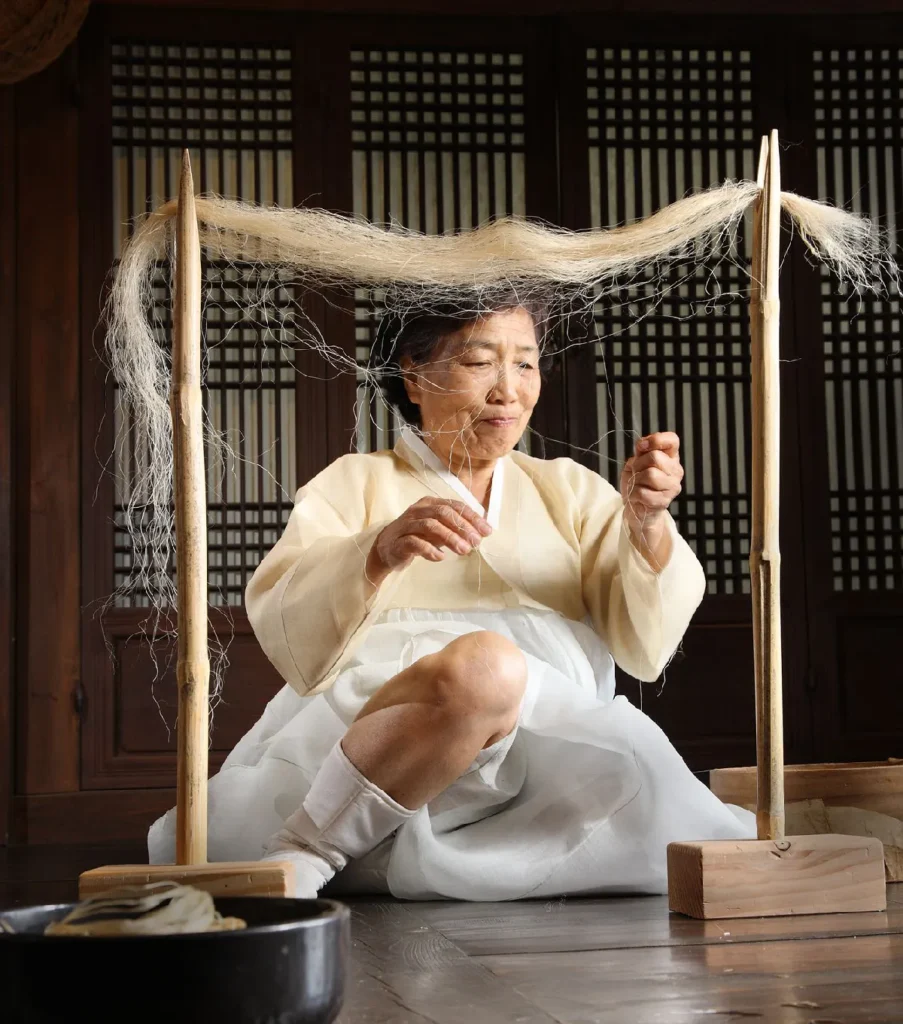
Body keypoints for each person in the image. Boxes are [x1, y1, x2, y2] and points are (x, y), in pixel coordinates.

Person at [149, 297, 754, 899]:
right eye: (480, 363)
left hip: (549, 771)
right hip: (378, 744)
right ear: (413, 375)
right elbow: (286, 618)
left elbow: (642, 644)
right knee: (485, 668)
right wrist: (378, 550)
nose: (508, 391)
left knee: (511, 683)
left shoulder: (570, 491)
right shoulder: (357, 482)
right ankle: (310, 846)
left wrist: (646, 523)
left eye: (525, 364)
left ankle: (330, 849)